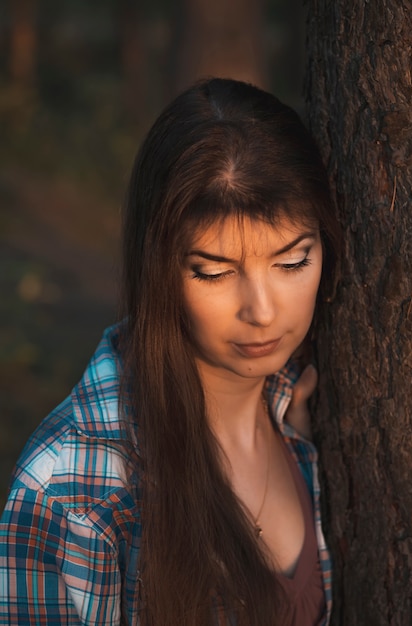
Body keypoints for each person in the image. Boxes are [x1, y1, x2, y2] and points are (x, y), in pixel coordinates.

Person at [0, 78, 341, 625]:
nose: (262, 311)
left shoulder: (306, 411)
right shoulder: (71, 490)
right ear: (157, 268)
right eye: (213, 272)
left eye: (293, 262)